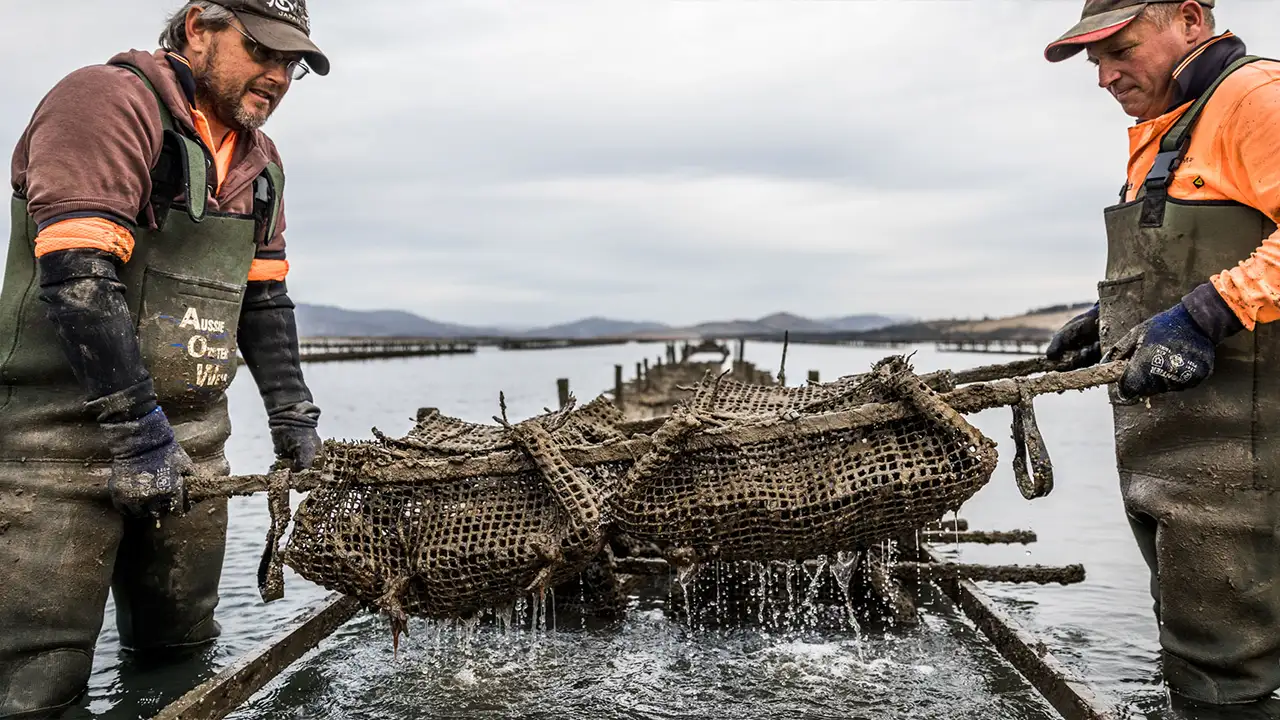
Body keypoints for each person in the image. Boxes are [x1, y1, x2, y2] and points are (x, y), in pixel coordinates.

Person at [0, 1, 328, 716]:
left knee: (182, 655)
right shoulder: (108, 101)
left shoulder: (260, 163)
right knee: (34, 682)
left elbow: (265, 306)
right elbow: (79, 276)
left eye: (292, 63)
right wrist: (136, 431)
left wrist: (293, 419)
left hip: (194, 450)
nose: (277, 75)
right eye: (262, 51)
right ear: (199, 29)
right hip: (52, 452)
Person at [1043, 0, 1280, 707]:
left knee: (1229, 679)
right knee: (1198, 658)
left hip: (1247, 457)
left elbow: (1216, 286)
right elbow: (1197, 255)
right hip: (1178, 473)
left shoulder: (1252, 96)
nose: (1106, 76)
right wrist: (1113, 317)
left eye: (1122, 50)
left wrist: (1207, 314)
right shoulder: (1169, 129)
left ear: (1190, 19)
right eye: (1097, 63)